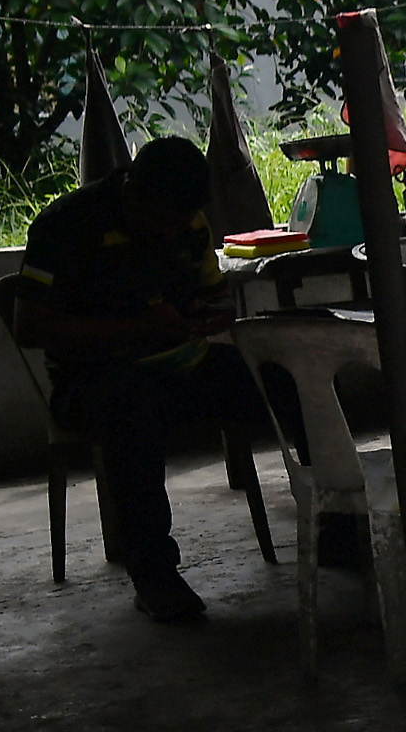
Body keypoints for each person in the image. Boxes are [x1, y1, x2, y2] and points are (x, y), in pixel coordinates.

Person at [15, 135, 270, 622]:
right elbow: (29, 327)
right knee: (129, 408)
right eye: (162, 221)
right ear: (132, 193)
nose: (171, 232)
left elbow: (215, 296)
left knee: (282, 379)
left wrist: (208, 314)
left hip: (180, 365)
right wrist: (139, 328)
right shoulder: (67, 226)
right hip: (90, 380)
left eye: (181, 221)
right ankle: (154, 576)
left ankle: (338, 524)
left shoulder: (187, 223)